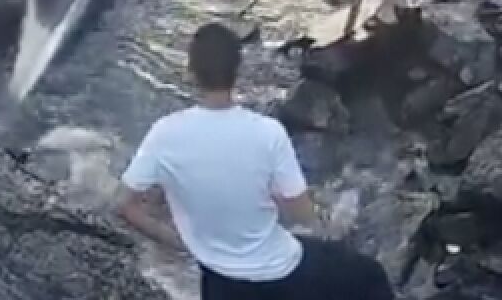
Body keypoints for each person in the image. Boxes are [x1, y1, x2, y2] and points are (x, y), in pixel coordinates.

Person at [115, 22, 395, 300]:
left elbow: (125, 206)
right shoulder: (267, 132)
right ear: (237, 70)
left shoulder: (164, 133)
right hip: (281, 275)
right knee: (370, 275)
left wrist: (180, 243)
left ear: (192, 72)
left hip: (219, 285)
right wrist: (327, 222)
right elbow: (302, 212)